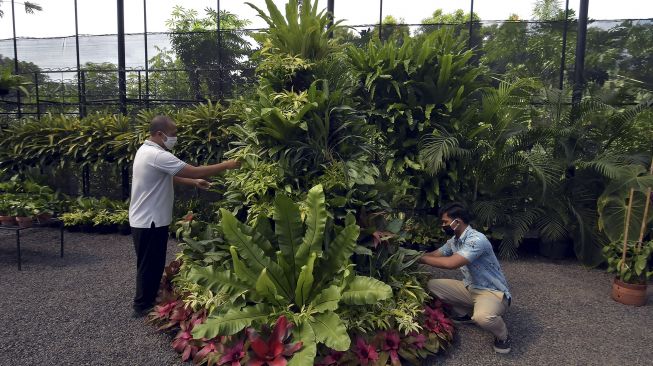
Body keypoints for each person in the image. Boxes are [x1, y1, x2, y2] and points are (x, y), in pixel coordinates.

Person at [128, 115, 240, 318]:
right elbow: (193, 169)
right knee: (150, 264)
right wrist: (227, 165)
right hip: (150, 220)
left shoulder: (146, 151)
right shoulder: (157, 155)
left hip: (145, 219)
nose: (175, 137)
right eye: (173, 134)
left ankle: (147, 299)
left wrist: (194, 182)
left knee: (150, 261)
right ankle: (141, 306)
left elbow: (168, 176)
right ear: (160, 134)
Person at [419, 202, 512, 354]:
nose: (443, 226)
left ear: (458, 222)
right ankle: (467, 314)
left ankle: (503, 336)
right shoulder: (455, 241)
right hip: (471, 287)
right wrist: (411, 255)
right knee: (432, 285)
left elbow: (451, 264)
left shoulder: (476, 240)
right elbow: (436, 254)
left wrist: (420, 259)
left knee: (483, 317)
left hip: (492, 292)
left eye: (445, 222)